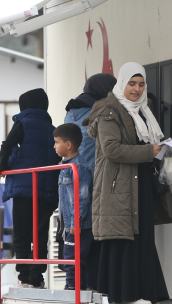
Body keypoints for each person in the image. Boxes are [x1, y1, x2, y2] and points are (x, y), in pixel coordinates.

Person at [85, 62, 172, 304]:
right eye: (132, 84)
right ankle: (125, 296)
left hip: (139, 181)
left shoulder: (144, 110)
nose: (136, 89)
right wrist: (148, 151)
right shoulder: (108, 111)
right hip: (118, 186)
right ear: (121, 84)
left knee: (141, 236)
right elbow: (111, 149)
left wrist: (161, 148)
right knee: (124, 239)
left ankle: (142, 293)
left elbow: (144, 144)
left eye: (141, 84)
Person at [0, 88, 61, 288]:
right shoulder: (53, 129)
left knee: (22, 233)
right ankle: (37, 278)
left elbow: (7, 145)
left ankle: (23, 277)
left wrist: (3, 168)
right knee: (40, 234)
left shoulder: (23, 122)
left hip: (24, 188)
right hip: (46, 189)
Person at [60, 73, 116, 289]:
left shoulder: (70, 113)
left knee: (73, 243)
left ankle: (75, 285)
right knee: (90, 242)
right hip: (91, 184)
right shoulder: (100, 112)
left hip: (67, 187)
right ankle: (87, 285)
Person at [54, 123, 93, 291]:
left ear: (68, 145)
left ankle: (73, 286)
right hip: (69, 222)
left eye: (56, 142)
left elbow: (82, 197)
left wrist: (75, 222)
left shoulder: (78, 167)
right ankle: (75, 285)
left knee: (72, 255)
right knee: (70, 254)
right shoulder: (66, 165)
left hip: (79, 223)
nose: (54, 146)